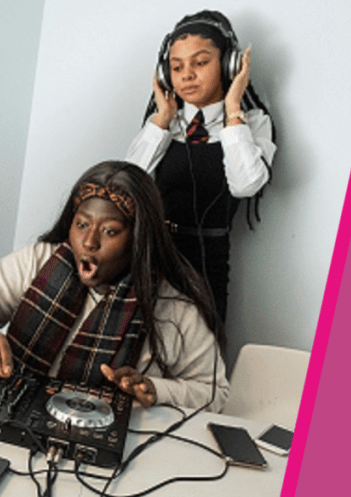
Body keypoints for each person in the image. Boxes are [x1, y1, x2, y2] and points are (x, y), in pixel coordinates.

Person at [0, 161, 229, 411]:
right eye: (82, 224)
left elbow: (215, 393)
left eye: (110, 231)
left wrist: (157, 390)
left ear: (139, 238)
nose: (89, 242)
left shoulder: (173, 305)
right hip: (9, 419)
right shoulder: (39, 260)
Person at [126, 9, 276, 322]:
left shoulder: (252, 123)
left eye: (200, 62)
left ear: (228, 64)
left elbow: (245, 184)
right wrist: (162, 121)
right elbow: (130, 183)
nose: (186, 75)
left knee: (200, 359)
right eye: (176, 67)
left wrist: (233, 108)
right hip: (150, 255)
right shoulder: (163, 122)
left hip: (208, 262)